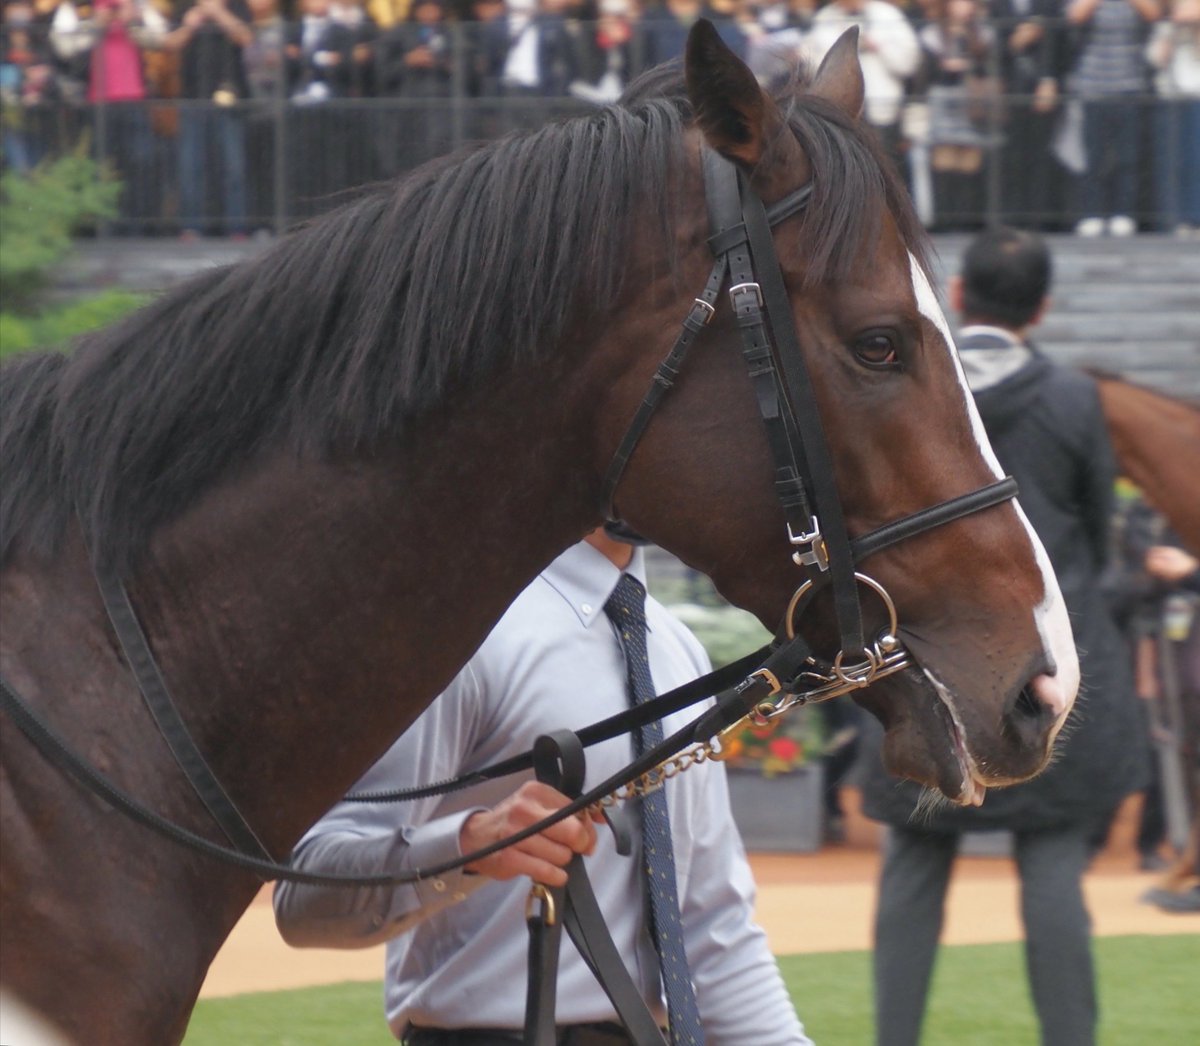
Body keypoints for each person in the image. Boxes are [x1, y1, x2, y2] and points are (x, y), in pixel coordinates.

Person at [274, 528, 811, 1045]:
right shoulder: (461, 630)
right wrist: (469, 846)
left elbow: (714, 928)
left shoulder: (679, 651)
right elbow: (305, 898)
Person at [857, 227, 1149, 1046]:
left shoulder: (907, 385)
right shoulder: (1072, 400)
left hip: (920, 659)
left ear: (956, 298)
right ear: (1043, 307)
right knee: (1053, 867)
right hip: (1043, 669)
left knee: (912, 870)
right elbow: (1093, 537)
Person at [1063, 0, 1162, 237]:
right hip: (1093, 85)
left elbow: (1153, 14)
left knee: (1127, 155)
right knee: (1094, 155)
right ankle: (1092, 213)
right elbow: (1075, 16)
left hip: (1129, 85)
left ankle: (1123, 213)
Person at [802, 0, 921, 180]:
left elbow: (909, 62)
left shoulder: (888, 16)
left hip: (882, 114)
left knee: (885, 172)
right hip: (838, 114)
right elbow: (809, 62)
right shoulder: (824, 18)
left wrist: (879, 47)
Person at [165, 0, 254, 237]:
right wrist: (191, 24)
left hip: (230, 95)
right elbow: (171, 44)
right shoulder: (184, 5)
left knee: (233, 168)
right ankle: (191, 227)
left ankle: (237, 227)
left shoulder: (236, 5)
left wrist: (217, 12)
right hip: (193, 97)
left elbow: (245, 38)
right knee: (190, 167)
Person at [1145, 0, 1200, 237]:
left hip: (1196, 95)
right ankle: (1170, 219)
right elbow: (1156, 59)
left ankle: (1194, 218)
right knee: (1170, 163)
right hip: (1170, 98)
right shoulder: (1164, 27)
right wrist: (1172, 30)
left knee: (1195, 162)